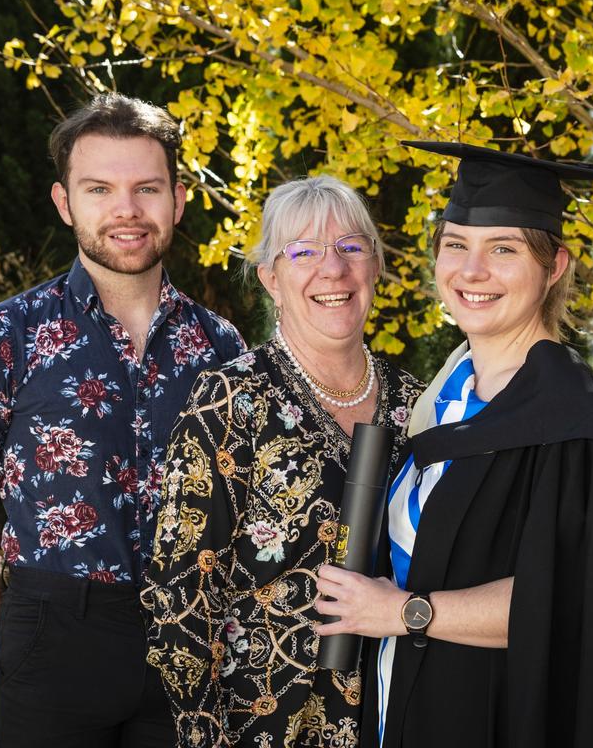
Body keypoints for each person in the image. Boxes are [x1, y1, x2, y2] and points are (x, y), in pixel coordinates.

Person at [314, 141, 593, 748]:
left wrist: (404, 612)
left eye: (503, 249)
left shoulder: (578, 429)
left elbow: (571, 601)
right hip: (402, 708)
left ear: (554, 265)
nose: (472, 271)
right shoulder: (445, 393)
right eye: (456, 245)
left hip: (497, 714)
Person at [0, 93, 246, 747]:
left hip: (194, 650)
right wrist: (15, 640)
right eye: (99, 188)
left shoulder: (223, 349)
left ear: (178, 200)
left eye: (146, 188)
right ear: (65, 202)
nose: (126, 210)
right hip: (54, 645)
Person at [142, 175, 423, 747]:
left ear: (375, 268)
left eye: (351, 247)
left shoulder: (418, 410)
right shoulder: (230, 402)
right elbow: (180, 600)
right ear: (271, 278)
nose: (333, 270)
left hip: (403, 713)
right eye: (304, 252)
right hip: (268, 722)